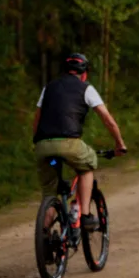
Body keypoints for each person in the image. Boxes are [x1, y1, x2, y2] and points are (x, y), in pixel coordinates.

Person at [33, 53, 127, 234]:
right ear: (84, 74)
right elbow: (107, 119)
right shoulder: (86, 88)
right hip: (69, 145)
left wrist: (37, 142)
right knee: (87, 165)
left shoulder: (49, 87)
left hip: (44, 147)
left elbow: (37, 118)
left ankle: (44, 240)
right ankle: (84, 216)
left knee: (49, 193)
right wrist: (119, 144)